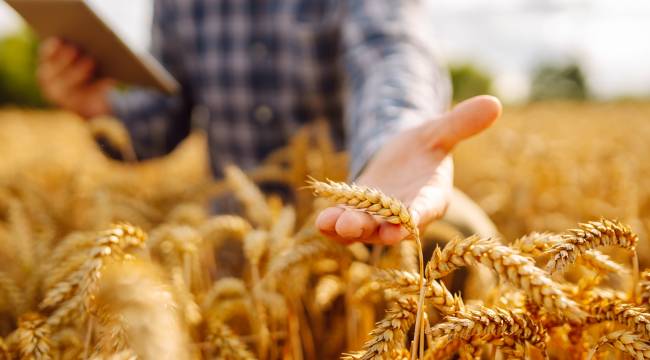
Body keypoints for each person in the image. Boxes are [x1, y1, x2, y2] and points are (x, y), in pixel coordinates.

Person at [37, 1, 501, 246]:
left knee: (466, 242)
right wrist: (97, 106)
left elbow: (389, 52)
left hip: (370, 205)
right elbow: (164, 119)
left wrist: (394, 134)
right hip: (236, 231)